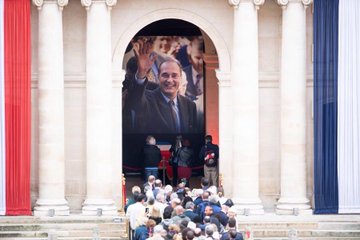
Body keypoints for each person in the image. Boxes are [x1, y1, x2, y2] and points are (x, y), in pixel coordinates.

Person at [127, 38, 197, 134]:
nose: (169, 80)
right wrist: (141, 73)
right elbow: (135, 99)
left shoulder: (190, 105)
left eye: (174, 75)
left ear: (181, 78)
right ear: (158, 77)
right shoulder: (147, 99)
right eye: (165, 75)